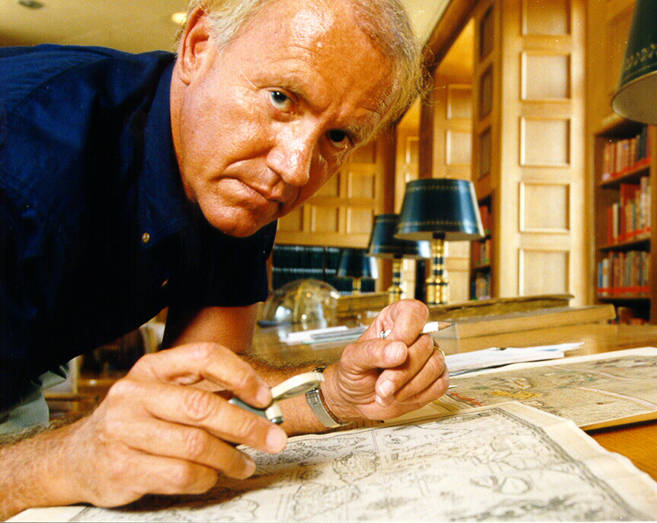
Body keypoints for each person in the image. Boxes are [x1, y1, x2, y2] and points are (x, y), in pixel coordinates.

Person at [0, 0, 448, 518]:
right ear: (198, 47)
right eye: (281, 97)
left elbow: (207, 386)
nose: (296, 169)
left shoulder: (240, 173)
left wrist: (336, 395)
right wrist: (67, 461)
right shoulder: (18, 159)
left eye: (338, 136)